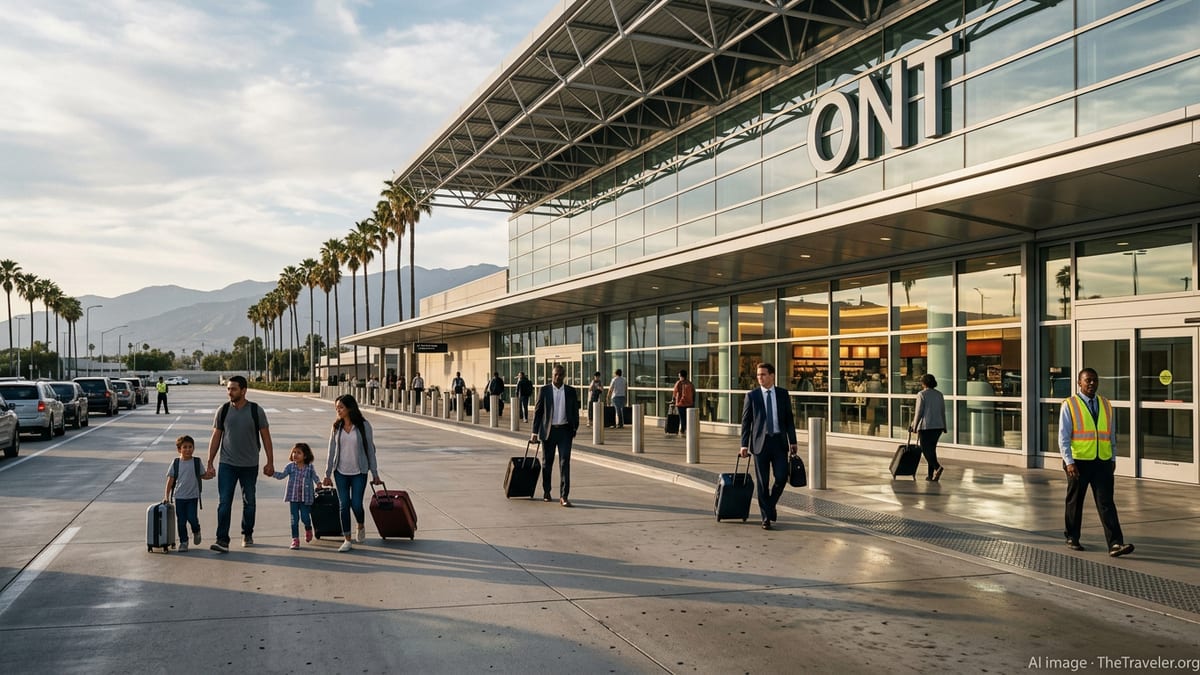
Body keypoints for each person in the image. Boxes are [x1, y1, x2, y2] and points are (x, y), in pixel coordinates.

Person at [1059, 367, 1134, 557]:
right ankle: (1072, 537)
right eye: (1087, 380)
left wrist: (1113, 458)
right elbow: (1063, 437)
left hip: (1102, 461)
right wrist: (1069, 462)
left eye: (1094, 380)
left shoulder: (1106, 404)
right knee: (1075, 501)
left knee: (1106, 503)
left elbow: (1111, 435)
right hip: (1078, 462)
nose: (1092, 383)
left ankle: (1116, 544)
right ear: (1079, 383)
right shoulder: (1070, 404)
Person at [206, 376, 274, 553]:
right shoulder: (223, 410)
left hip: (250, 465)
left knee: (249, 501)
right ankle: (222, 540)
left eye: (233, 389)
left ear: (244, 390)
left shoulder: (255, 410)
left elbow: (266, 437)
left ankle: (247, 533)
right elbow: (216, 437)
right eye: (228, 389)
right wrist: (210, 462)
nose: (230, 392)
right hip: (227, 464)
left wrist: (270, 462)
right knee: (224, 502)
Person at [739, 363, 798, 530]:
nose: (760, 378)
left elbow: (789, 420)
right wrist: (743, 445)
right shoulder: (752, 396)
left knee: (781, 477)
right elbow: (746, 422)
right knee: (762, 482)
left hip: (779, 443)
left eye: (763, 374)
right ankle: (766, 517)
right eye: (758, 375)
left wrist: (793, 441)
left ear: (772, 376)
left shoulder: (782, 394)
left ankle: (770, 505)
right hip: (760, 445)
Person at [324, 394, 382, 552]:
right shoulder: (336, 427)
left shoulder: (364, 425)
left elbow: (370, 450)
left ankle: (360, 524)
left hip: (359, 471)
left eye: (341, 407)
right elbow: (331, 451)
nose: (338, 411)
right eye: (336, 408)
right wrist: (327, 474)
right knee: (344, 505)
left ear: (350, 408)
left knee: (356, 504)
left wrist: (375, 473)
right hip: (340, 472)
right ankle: (347, 539)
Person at [530, 364, 580, 507]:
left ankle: (564, 496)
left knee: (565, 463)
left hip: (565, 432)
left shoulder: (570, 391)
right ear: (552, 375)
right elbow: (538, 412)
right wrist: (534, 432)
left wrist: (574, 427)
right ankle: (547, 491)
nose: (557, 377)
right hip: (549, 432)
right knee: (547, 463)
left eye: (560, 375)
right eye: (555, 374)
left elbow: (575, 411)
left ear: (564, 376)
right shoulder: (544, 390)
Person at [272, 442, 323, 550]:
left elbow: (315, 477)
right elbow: (282, 476)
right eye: (294, 452)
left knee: (305, 517)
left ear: (305, 456)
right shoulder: (290, 467)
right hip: (293, 498)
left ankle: (308, 528)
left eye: (298, 453)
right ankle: (295, 539)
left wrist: (318, 483)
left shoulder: (309, 467)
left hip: (306, 498)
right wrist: (272, 473)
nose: (295, 454)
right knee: (294, 520)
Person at [164, 434, 211, 552]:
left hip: (192, 496)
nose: (188, 449)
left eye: (190, 447)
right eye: (185, 447)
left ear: (193, 448)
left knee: (192, 517)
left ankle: (196, 530)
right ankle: (183, 542)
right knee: (181, 521)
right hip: (179, 497)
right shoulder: (175, 463)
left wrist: (210, 475)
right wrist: (166, 496)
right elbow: (170, 480)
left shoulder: (196, 461)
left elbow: (202, 475)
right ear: (179, 449)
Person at [908, 373, 946, 481]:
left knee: (925, 450)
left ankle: (937, 467)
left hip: (926, 426)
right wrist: (944, 426)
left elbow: (918, 412)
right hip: (938, 427)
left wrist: (914, 426)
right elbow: (942, 411)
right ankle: (930, 475)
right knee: (932, 450)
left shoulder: (921, 394)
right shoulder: (939, 394)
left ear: (924, 383)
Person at [672, 370, 695, 436]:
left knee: (682, 417)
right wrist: (693, 401)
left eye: (679, 375)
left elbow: (675, 392)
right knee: (687, 418)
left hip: (681, 403)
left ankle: (683, 429)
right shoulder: (690, 383)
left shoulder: (678, 383)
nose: (679, 377)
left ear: (681, 376)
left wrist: (673, 399)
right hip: (689, 403)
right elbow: (693, 393)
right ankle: (685, 429)